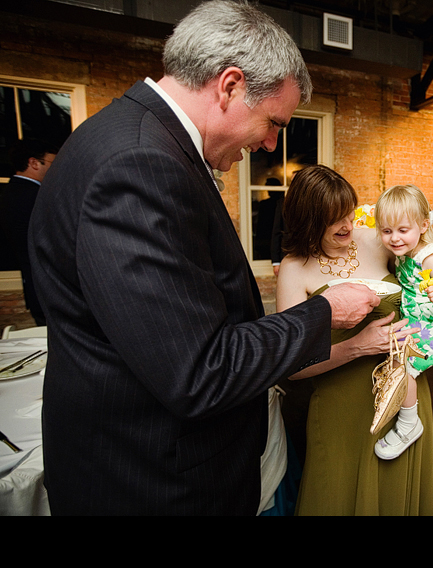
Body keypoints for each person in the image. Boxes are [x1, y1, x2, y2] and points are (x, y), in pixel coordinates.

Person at [27, 0, 379, 516]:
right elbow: (199, 371)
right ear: (230, 86)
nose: (271, 144)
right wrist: (326, 311)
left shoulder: (127, 137)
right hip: (154, 483)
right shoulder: (140, 163)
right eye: (273, 122)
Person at [276, 165, 433, 515]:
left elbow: (427, 261)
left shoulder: (377, 240)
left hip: (402, 396)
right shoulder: (294, 268)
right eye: (335, 220)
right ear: (309, 222)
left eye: (349, 213)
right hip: (341, 406)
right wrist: (357, 346)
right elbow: (292, 367)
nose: (348, 226)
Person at [372, 184, 433, 459]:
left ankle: (409, 423)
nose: (394, 238)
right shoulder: (405, 251)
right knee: (393, 356)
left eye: (402, 230)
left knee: (403, 366)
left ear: (423, 226)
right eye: (386, 231)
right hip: (418, 321)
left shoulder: (429, 258)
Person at [0, 138, 58, 326]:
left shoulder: (12, 192)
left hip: (35, 286)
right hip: (49, 290)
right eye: (53, 163)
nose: (56, 170)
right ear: (34, 163)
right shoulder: (33, 197)